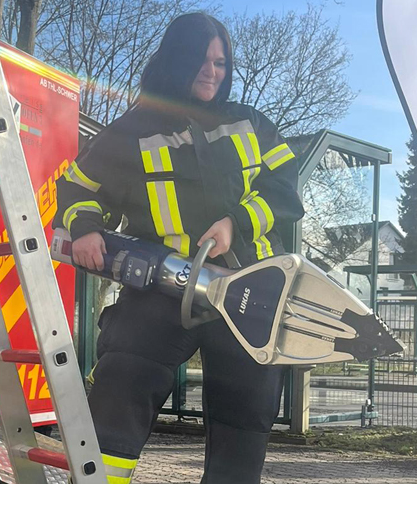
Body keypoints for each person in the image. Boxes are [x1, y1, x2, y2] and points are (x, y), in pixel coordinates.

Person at [53, 13, 304, 484]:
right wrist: (86, 227)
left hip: (248, 291)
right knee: (121, 383)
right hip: (160, 287)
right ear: (175, 59)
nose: (213, 72)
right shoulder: (131, 130)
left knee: (246, 413)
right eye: (202, 60)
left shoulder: (252, 124)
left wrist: (237, 222)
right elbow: (76, 188)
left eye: (222, 63)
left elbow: (286, 193)